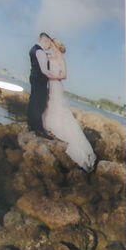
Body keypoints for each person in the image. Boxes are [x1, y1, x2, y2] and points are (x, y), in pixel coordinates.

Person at [27, 32, 96, 171]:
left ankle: (61, 133)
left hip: (55, 84)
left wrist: (51, 77)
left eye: (53, 42)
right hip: (48, 84)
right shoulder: (48, 55)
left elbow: (64, 75)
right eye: (51, 42)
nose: (51, 44)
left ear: (56, 45)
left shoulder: (60, 58)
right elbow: (41, 65)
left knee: (58, 107)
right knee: (47, 105)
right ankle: (44, 126)